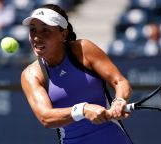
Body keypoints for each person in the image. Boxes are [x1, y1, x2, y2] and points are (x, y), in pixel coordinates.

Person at [20, 4, 132, 144]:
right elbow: (46, 117)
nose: (36, 37)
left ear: (63, 34)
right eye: (33, 30)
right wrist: (82, 109)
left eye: (45, 30)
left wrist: (119, 100)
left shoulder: (83, 49)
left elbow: (119, 81)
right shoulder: (31, 74)